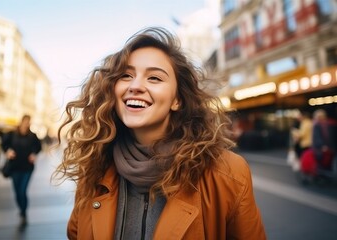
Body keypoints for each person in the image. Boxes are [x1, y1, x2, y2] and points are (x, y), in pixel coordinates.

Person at [53, 27, 266, 239]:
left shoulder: (228, 173)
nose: (135, 86)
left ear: (177, 100)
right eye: (126, 75)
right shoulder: (94, 168)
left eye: (154, 78)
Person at [2, 114, 42, 229]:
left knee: (22, 191)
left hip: (27, 168)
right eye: (25, 121)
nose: (26, 124)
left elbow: (38, 147)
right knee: (17, 192)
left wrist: (34, 154)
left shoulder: (32, 136)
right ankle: (21, 209)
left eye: (28, 122)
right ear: (21, 122)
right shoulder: (12, 134)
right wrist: (7, 151)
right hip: (14, 167)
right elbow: (4, 144)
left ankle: (24, 213)